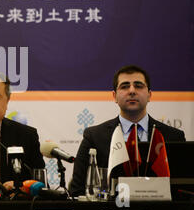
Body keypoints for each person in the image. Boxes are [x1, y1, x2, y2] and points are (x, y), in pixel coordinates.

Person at [70, 65, 185, 197]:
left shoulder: (173, 136)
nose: (132, 91)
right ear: (114, 96)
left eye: (138, 86)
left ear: (149, 95)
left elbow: (182, 191)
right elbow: (77, 190)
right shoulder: (94, 136)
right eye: (124, 86)